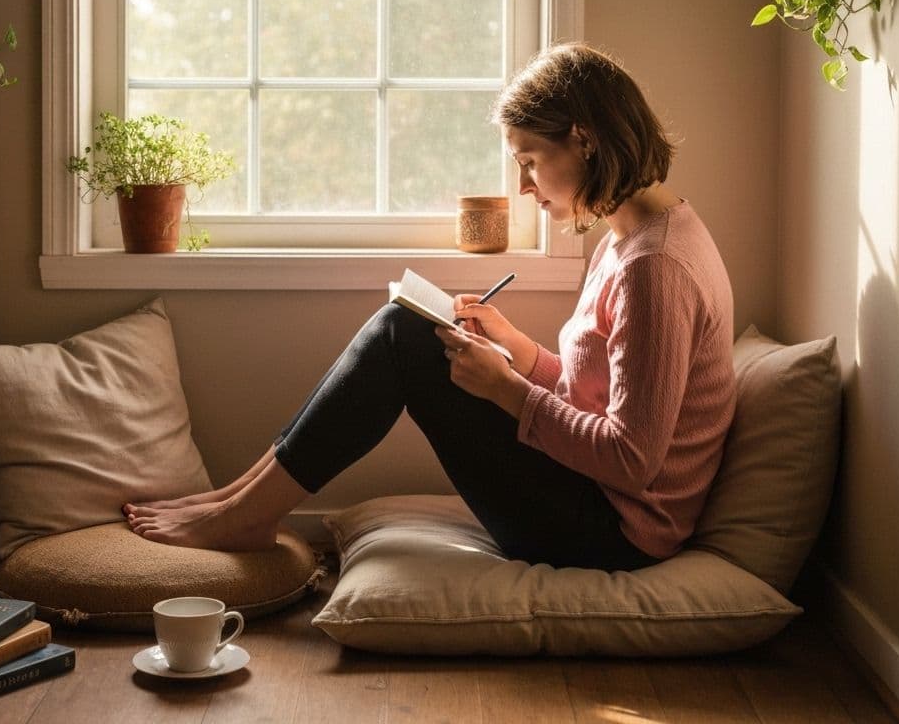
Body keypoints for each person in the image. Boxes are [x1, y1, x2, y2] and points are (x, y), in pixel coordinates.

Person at [124, 42, 735, 572]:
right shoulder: (633, 237)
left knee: (403, 337)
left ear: (584, 140)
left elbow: (630, 459)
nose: (523, 186)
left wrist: (507, 391)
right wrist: (518, 353)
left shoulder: (655, 268)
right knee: (409, 328)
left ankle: (244, 514)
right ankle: (239, 501)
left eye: (529, 162)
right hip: (595, 499)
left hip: (614, 534)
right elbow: (598, 394)